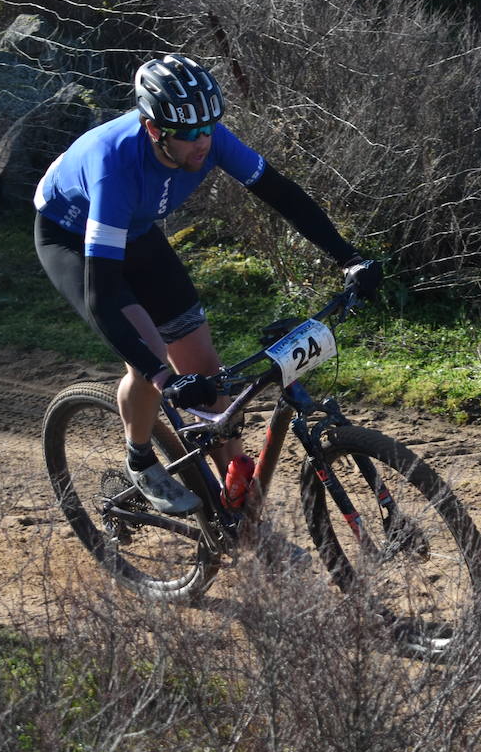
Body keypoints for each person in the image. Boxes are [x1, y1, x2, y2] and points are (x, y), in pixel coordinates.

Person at [34, 53, 381, 516]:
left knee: (211, 383)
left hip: (134, 231)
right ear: (156, 130)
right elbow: (103, 294)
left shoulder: (207, 136)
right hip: (73, 238)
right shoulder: (114, 165)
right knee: (152, 355)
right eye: (191, 134)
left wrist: (350, 258)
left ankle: (240, 514)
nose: (203, 142)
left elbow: (282, 195)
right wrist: (165, 380)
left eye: (209, 128)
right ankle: (140, 458)